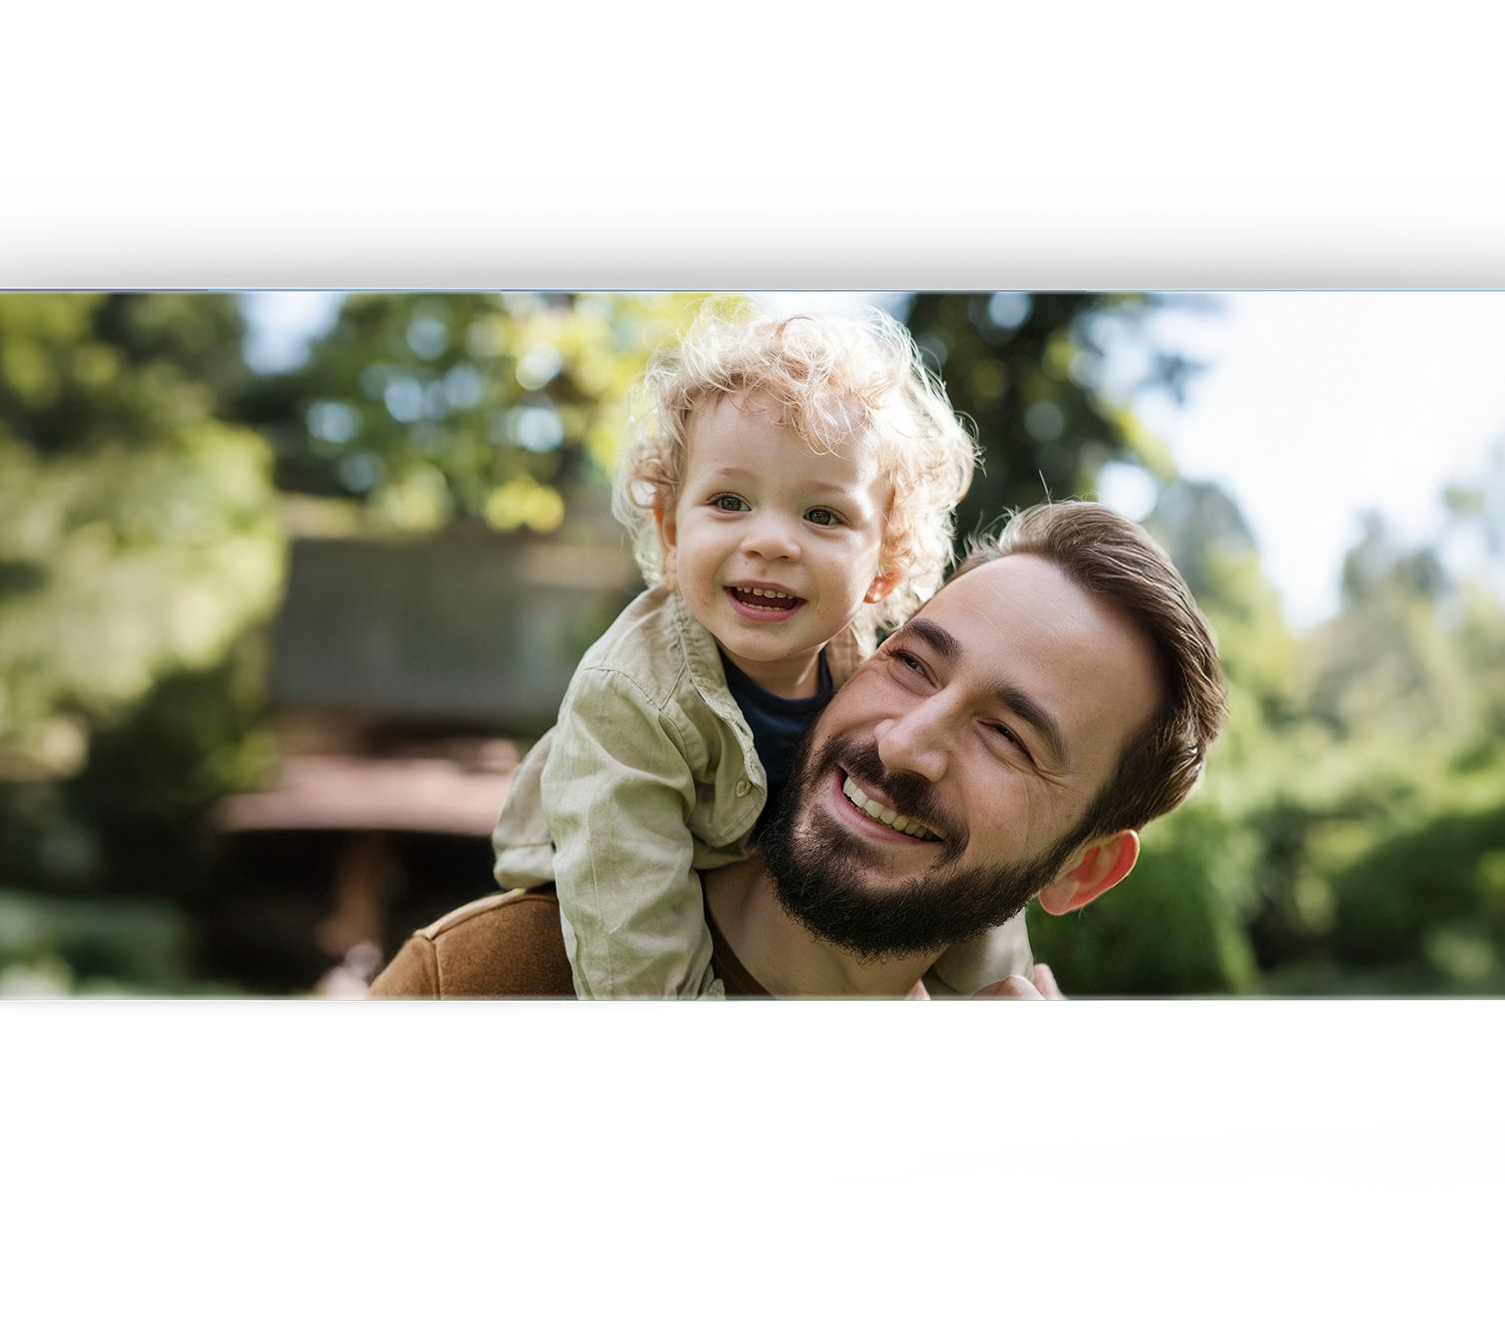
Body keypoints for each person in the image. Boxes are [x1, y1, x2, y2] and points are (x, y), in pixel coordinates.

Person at [369, 500, 1228, 999]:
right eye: (914, 664)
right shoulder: (481, 982)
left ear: (1079, 870)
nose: (905, 742)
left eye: (1006, 735)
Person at [487, 303, 1034, 999]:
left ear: (885, 568)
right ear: (671, 526)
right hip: (602, 884)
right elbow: (631, 944)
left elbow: (969, 867)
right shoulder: (629, 694)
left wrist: (1002, 996)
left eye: (823, 515)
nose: (771, 541)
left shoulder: (867, 672)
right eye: (729, 502)